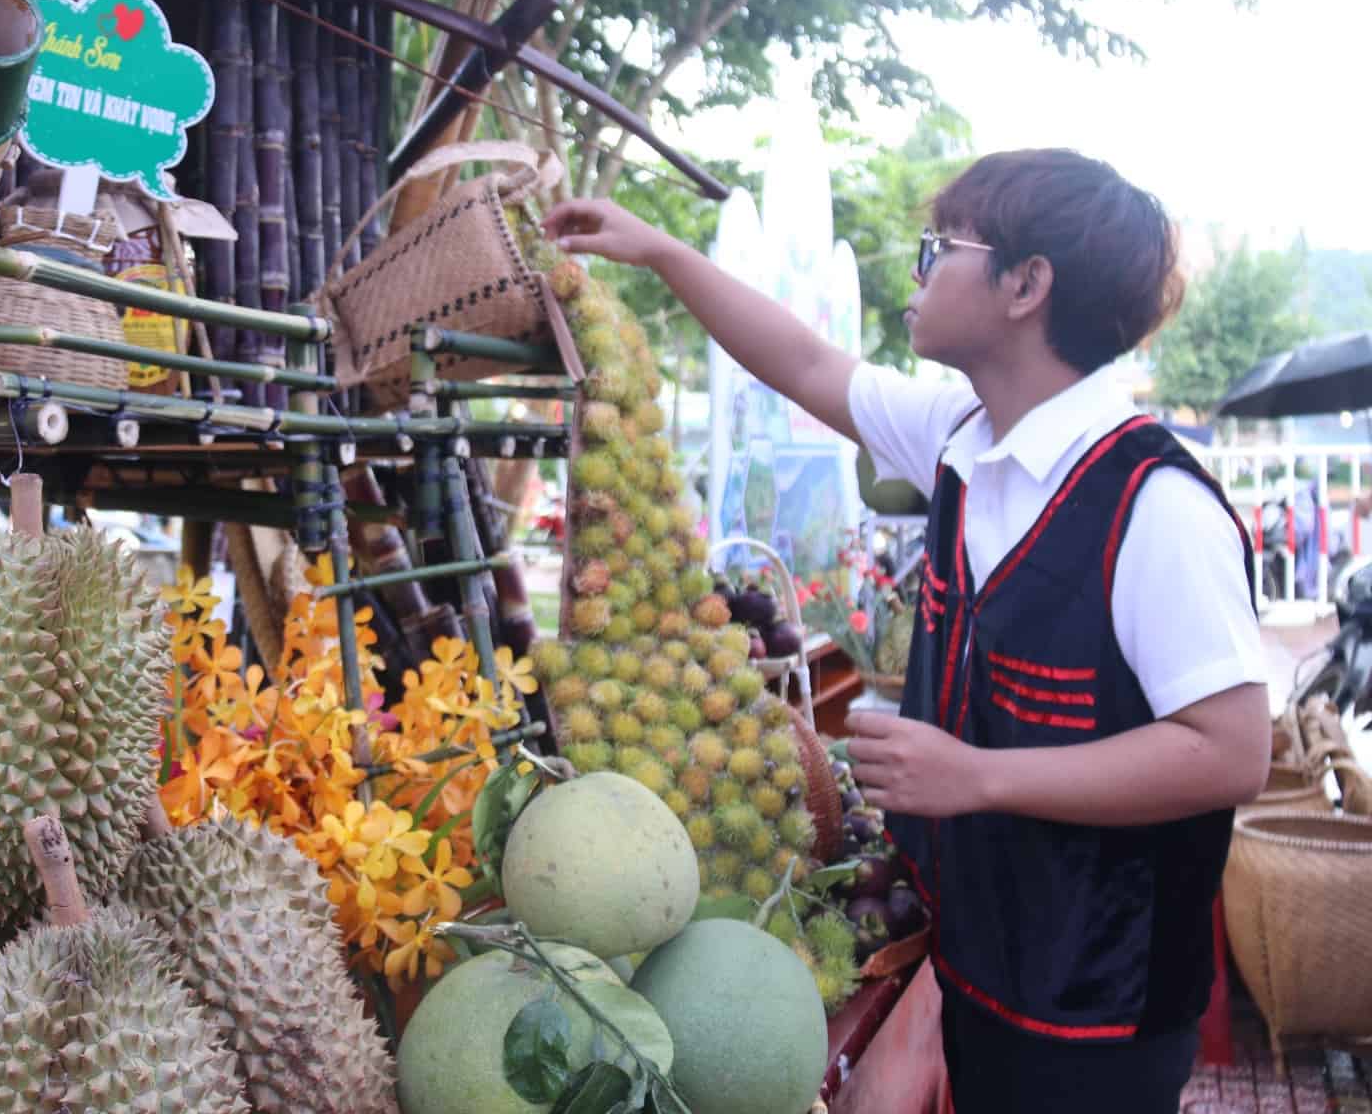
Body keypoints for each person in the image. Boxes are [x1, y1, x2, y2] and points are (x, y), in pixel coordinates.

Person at [544, 148, 1269, 1114]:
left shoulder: (1155, 506)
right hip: (982, 961)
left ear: (1026, 283)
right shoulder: (964, 439)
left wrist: (975, 777)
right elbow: (804, 363)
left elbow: (1229, 753)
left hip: (1099, 1010)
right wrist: (664, 253)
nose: (917, 272)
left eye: (941, 247)